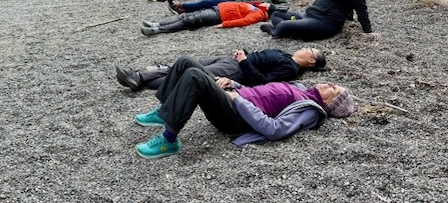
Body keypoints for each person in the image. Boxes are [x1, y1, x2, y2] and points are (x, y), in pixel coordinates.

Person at [132, 56, 354, 159]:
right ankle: (164, 112)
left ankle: (169, 140)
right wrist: (235, 85)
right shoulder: (302, 88)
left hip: (236, 117)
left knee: (194, 76)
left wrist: (237, 99)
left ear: (329, 103)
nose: (331, 84)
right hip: (234, 96)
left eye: (334, 90)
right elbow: (262, 93)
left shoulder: (311, 111)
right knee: (186, 62)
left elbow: (274, 129)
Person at [115, 47, 326, 91]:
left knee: (187, 72)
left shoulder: (290, 69)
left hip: (236, 71)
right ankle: (140, 79)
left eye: (310, 50)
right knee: (184, 65)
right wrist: (243, 53)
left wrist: (243, 61)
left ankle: (139, 77)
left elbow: (262, 82)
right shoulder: (286, 55)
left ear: (311, 62)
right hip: (231, 60)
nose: (305, 47)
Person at [141, 1, 275, 35]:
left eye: (267, 4)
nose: (265, 2)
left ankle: (159, 30)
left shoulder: (259, 14)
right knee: (186, 16)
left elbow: (244, 21)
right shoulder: (256, 6)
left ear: (267, 9)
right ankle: (156, 24)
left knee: (189, 21)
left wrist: (225, 24)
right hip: (218, 9)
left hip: (218, 16)